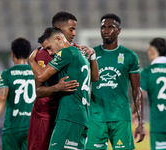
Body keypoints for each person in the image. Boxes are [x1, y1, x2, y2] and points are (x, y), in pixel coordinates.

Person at [27, 11, 94, 150]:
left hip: (67, 115)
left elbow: (40, 77)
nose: (74, 33)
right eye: (71, 29)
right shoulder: (78, 52)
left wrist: (31, 61)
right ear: (59, 30)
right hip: (73, 115)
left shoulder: (67, 52)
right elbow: (39, 91)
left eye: (49, 48)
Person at [85, 13, 145, 150]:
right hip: (96, 117)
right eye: (103, 27)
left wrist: (141, 122)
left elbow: (137, 90)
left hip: (120, 116)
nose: (106, 31)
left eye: (110, 27)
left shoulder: (129, 56)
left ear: (118, 31)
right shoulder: (91, 54)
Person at [0, 37, 35, 150]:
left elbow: (1, 99)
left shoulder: (6, 74)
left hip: (12, 129)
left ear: (12, 54)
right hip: (32, 128)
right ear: (29, 54)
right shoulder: (37, 74)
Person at [133, 38, 166, 150]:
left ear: (152, 51)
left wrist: (134, 113)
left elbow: (139, 96)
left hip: (158, 125)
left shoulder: (147, 72)